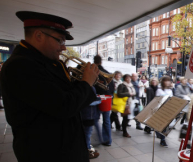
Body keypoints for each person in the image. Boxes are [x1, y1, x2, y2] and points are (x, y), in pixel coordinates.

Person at [1, 11, 100, 162]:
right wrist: (86, 83)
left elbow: (66, 96)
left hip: (64, 148)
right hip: (47, 153)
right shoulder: (20, 65)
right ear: (39, 36)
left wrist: (81, 82)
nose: (63, 48)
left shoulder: (50, 63)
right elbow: (64, 106)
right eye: (60, 40)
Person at [93, 55, 115, 146]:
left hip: (97, 97)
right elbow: (112, 87)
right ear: (101, 62)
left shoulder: (94, 72)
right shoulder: (106, 73)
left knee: (95, 118)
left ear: (94, 61)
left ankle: (99, 138)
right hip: (107, 98)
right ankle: (107, 140)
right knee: (106, 120)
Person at [80, 87, 101, 159]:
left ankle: (87, 147)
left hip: (88, 114)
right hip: (88, 114)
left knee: (87, 132)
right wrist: (98, 99)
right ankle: (87, 150)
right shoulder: (88, 87)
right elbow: (88, 101)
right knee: (87, 133)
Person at [155, 76, 173, 147]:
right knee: (162, 125)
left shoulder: (170, 90)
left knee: (165, 126)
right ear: (163, 82)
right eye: (166, 81)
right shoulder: (159, 90)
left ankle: (162, 138)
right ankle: (162, 139)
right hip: (160, 110)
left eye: (169, 81)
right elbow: (156, 101)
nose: (167, 82)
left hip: (168, 110)